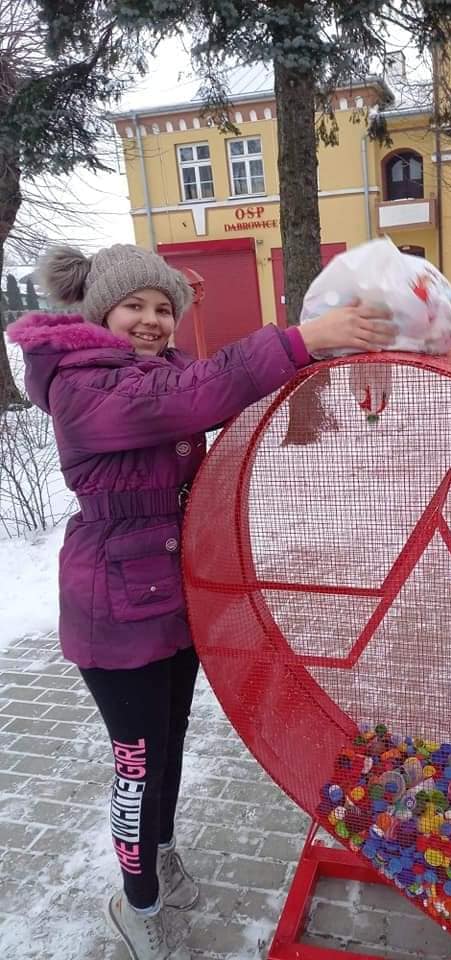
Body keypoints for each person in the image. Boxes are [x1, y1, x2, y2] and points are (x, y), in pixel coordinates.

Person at [8, 243, 394, 960]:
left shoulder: (162, 374)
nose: (152, 321)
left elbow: (229, 389)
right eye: (135, 306)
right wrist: (298, 338)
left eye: (164, 308)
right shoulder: (82, 386)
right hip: (112, 616)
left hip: (171, 602)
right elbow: (192, 398)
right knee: (137, 766)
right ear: (100, 312)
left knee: (169, 749)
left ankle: (160, 858)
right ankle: (138, 905)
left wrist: (333, 361)